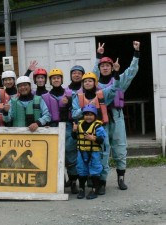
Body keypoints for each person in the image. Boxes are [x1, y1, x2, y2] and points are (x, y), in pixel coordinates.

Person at [93, 41, 140, 191]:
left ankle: (121, 178)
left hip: (117, 117)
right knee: (103, 150)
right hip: (101, 120)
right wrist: (98, 55)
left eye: (108, 65)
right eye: (102, 65)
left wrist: (136, 53)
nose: (105, 67)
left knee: (120, 148)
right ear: (99, 68)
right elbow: (92, 73)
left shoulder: (119, 82)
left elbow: (132, 71)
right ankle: (102, 181)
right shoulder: (94, 84)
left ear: (112, 67)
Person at [72, 71, 120, 195]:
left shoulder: (102, 93)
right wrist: (86, 108)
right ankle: (90, 184)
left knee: (103, 158)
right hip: (85, 131)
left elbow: (115, 86)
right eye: (85, 81)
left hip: (100, 129)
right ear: (82, 83)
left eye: (90, 81)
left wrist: (116, 72)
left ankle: (102, 183)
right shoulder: (78, 97)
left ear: (95, 82)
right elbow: (74, 113)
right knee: (84, 161)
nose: (87, 83)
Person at [41, 68, 79, 194]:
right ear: (50, 81)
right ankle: (60, 180)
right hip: (52, 126)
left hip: (67, 126)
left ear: (62, 79)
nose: (56, 80)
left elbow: (75, 110)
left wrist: (69, 105)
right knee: (54, 155)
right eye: (53, 78)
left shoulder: (70, 93)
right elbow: (43, 112)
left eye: (58, 78)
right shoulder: (45, 96)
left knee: (70, 154)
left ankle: (73, 181)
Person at [72, 104, 106, 200]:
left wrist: (93, 138)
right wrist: (74, 131)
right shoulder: (79, 125)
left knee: (95, 170)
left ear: (95, 116)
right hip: (82, 152)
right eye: (86, 114)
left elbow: (102, 140)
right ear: (83, 116)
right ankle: (82, 189)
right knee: (81, 169)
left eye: (91, 115)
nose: (88, 117)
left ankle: (95, 189)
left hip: (94, 152)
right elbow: (75, 137)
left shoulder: (98, 126)